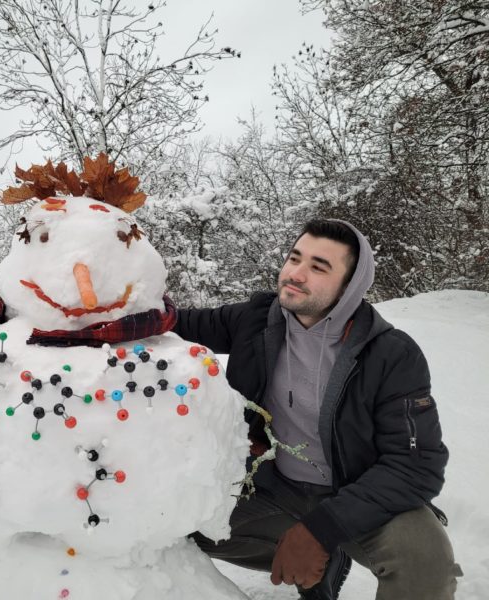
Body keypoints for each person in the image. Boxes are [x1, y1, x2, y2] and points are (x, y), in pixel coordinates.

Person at [173, 219, 461, 600]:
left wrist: (321, 529)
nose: (296, 273)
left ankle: (319, 544)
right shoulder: (257, 320)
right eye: (295, 258)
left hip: (361, 495)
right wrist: (90, 313)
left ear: (350, 285)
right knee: (173, 523)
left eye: (319, 267)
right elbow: (174, 322)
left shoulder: (391, 354)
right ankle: (319, 563)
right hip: (274, 486)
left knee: (425, 564)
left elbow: (416, 466)